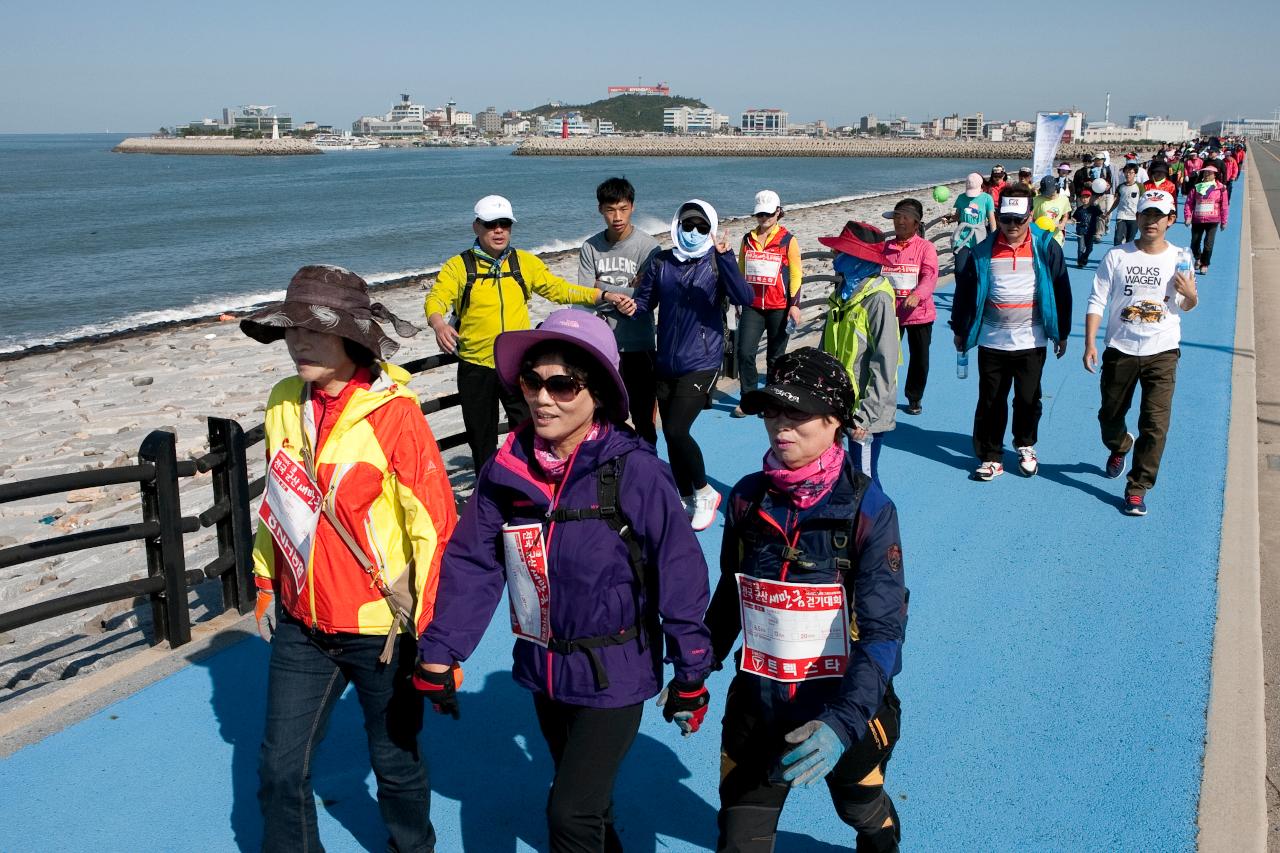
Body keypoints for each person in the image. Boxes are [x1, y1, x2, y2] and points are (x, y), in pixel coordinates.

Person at [414, 310, 715, 852]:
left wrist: (691, 670)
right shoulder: (505, 471)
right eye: (532, 380)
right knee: (592, 810)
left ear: (596, 393)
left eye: (562, 384)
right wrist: (441, 649)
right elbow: (474, 564)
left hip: (614, 672)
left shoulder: (636, 470)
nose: (541, 397)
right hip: (543, 669)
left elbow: (679, 567)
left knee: (568, 815)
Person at [242, 265, 459, 853]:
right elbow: (278, 498)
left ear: (353, 337)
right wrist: (266, 579)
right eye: (292, 329)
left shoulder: (395, 413)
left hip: (379, 629)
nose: (298, 342)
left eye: (315, 329)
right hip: (302, 624)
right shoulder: (284, 400)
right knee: (279, 770)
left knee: (396, 767)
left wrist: (437, 641)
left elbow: (434, 526)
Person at [704, 346, 907, 853]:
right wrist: (693, 668)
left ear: (836, 420)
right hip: (757, 708)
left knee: (859, 810)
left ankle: (881, 835)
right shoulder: (748, 498)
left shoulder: (871, 511)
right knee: (738, 842)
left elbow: (883, 635)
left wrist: (842, 724)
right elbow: (730, 598)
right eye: (772, 410)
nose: (779, 426)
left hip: (845, 710)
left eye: (797, 413)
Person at [425, 194, 635, 468]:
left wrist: (602, 295)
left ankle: (527, 484)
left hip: (515, 366)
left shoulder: (523, 263)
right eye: (491, 224)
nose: (499, 230)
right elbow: (437, 297)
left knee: (528, 432)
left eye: (505, 224)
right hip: (476, 366)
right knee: (481, 438)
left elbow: (559, 289)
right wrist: (438, 322)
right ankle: (489, 492)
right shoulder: (459, 266)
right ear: (476, 226)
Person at [632, 199, 753, 530]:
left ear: (710, 229)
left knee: (675, 429)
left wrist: (727, 256)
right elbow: (645, 303)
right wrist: (621, 304)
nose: (695, 231)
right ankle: (684, 497)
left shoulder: (717, 261)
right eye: (688, 225)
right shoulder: (662, 262)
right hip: (666, 360)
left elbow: (745, 297)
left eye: (702, 226)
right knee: (672, 438)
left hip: (703, 360)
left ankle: (704, 491)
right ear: (678, 226)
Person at [1083, 190, 1199, 516]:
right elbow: (1097, 301)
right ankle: (1120, 444)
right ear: (1138, 217)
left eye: (1158, 216)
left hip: (1162, 350)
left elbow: (1186, 305)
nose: (1151, 221)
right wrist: (1090, 342)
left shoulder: (1180, 257)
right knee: (1109, 415)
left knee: (1155, 424)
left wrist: (1191, 295)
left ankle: (1137, 486)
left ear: (1170, 220)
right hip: (1120, 348)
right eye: (1146, 214)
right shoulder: (1117, 256)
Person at [950, 184, 1072, 480]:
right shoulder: (981, 251)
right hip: (993, 341)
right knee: (991, 400)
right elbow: (965, 292)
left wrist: (1062, 332)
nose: (1012, 226)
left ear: (1030, 215)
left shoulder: (1046, 247)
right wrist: (960, 329)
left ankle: (1025, 443)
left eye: (1018, 219)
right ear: (999, 217)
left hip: (1032, 340)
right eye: (1006, 219)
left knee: (1028, 398)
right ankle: (991, 455)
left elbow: (1061, 290)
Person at [578, 177, 662, 444]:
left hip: (641, 345)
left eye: (623, 208)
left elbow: (650, 298)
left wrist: (601, 287)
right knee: (607, 419)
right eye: (610, 209)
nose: (617, 216)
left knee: (644, 421)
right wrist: (621, 295)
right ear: (600, 209)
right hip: (603, 346)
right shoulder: (590, 247)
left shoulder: (649, 248)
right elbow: (585, 294)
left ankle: (649, 471)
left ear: (632, 207)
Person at [818, 221, 899, 482]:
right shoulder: (842, 294)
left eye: (840, 252)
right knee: (842, 474)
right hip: (840, 404)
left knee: (863, 480)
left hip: (865, 412)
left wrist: (865, 416)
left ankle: (877, 523)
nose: (835, 257)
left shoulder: (878, 299)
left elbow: (885, 363)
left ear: (857, 259)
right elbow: (826, 349)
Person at [732, 189, 804, 418]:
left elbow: (796, 275)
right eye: (760, 215)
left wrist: (794, 304)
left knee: (776, 357)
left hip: (779, 307)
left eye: (768, 215)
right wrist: (738, 298)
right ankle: (749, 399)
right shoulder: (747, 239)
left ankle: (772, 399)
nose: (764, 219)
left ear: (778, 212)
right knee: (744, 352)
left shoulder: (788, 240)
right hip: (753, 306)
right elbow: (741, 271)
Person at [881, 198, 938, 416]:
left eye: (905, 217)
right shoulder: (885, 248)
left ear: (916, 223)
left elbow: (930, 275)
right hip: (890, 313)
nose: (899, 222)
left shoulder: (926, 248)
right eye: (896, 217)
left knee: (919, 359)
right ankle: (883, 394)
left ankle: (914, 397)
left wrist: (918, 294)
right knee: (886, 356)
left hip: (919, 314)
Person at [1183, 166, 1229, 275]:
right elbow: (1189, 203)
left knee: (1208, 244)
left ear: (1215, 175)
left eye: (1209, 173)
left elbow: (1224, 206)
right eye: (1205, 173)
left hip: (1212, 220)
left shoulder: (1221, 188)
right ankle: (1198, 258)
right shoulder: (1196, 187)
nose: (1207, 175)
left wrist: (1224, 221)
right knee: (1194, 243)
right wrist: (1188, 216)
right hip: (1197, 220)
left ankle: (1205, 263)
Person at [949, 173, 997, 263]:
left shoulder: (987, 198)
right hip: (962, 236)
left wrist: (994, 237)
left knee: (976, 267)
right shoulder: (961, 197)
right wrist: (948, 219)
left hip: (980, 236)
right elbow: (957, 216)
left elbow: (992, 219)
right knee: (960, 269)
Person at [1032, 175, 1072, 247]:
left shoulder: (1064, 200)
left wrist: (1062, 224)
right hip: (1039, 235)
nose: (1048, 195)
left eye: (1050, 192)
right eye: (1046, 193)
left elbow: (1065, 215)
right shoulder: (1036, 200)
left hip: (1056, 236)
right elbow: (1030, 217)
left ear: (1056, 188)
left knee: (1055, 257)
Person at [1110, 163, 1143, 245]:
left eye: (1131, 172)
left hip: (1134, 217)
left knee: (1130, 240)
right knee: (1118, 238)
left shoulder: (1140, 186)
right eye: (1126, 172)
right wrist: (1109, 212)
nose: (1128, 174)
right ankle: (1116, 255)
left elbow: (1143, 201)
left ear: (1135, 174)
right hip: (1121, 215)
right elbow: (1117, 200)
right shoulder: (1120, 187)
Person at [1073, 188, 1103, 268]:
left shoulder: (1094, 209)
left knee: (1089, 248)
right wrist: (1073, 220)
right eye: (1083, 197)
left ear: (1090, 198)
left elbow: (1101, 215)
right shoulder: (1079, 210)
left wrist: (1104, 216)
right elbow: (1074, 218)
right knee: (1081, 247)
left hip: (1090, 231)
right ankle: (1080, 262)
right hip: (1080, 231)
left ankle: (1085, 257)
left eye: (1087, 197)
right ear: (1080, 199)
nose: (1085, 199)